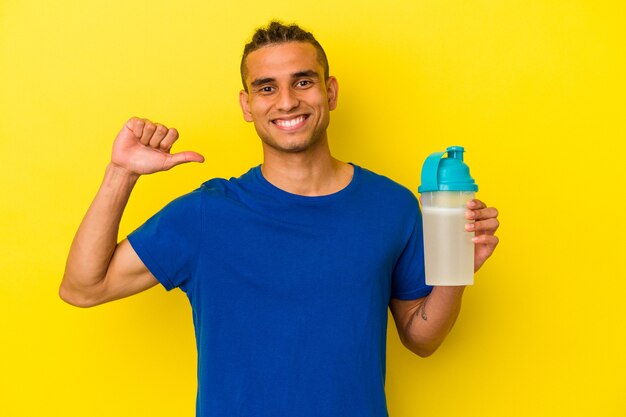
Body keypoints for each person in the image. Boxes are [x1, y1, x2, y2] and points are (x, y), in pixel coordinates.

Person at [60, 21, 499, 417]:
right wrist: (122, 173)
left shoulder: (391, 206)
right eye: (266, 88)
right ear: (247, 104)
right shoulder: (207, 213)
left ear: (330, 92)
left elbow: (421, 339)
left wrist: (456, 268)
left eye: (302, 82)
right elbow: (83, 288)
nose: (287, 101)